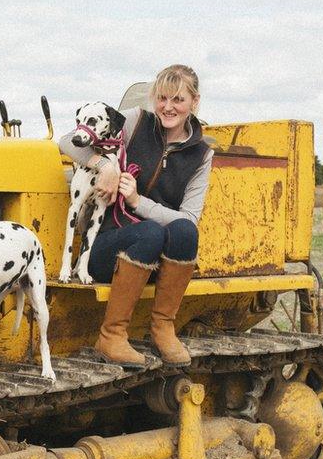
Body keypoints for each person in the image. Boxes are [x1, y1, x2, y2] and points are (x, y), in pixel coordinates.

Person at [60, 64, 212, 368]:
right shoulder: (135, 122)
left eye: (178, 100)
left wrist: (137, 201)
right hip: (107, 248)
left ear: (194, 102)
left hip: (158, 261)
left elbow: (188, 219)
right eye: (162, 98)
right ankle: (112, 335)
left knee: (184, 232)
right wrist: (104, 165)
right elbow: (66, 142)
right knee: (150, 232)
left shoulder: (202, 154)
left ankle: (163, 328)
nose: (168, 108)